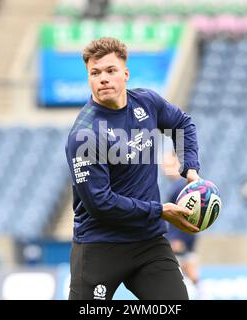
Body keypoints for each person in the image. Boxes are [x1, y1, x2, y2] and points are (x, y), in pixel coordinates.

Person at [65, 37, 200, 300]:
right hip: (99, 246)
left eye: (110, 70)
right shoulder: (84, 135)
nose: (103, 78)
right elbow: (101, 203)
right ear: (88, 78)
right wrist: (160, 210)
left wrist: (190, 169)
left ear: (125, 74)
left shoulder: (146, 103)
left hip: (149, 244)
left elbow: (182, 124)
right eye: (95, 73)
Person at [161, 152, 200, 290]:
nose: (163, 167)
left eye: (168, 163)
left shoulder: (180, 187)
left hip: (180, 240)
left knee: (182, 278)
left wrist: (179, 239)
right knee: (191, 277)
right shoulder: (177, 186)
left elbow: (186, 215)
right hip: (182, 238)